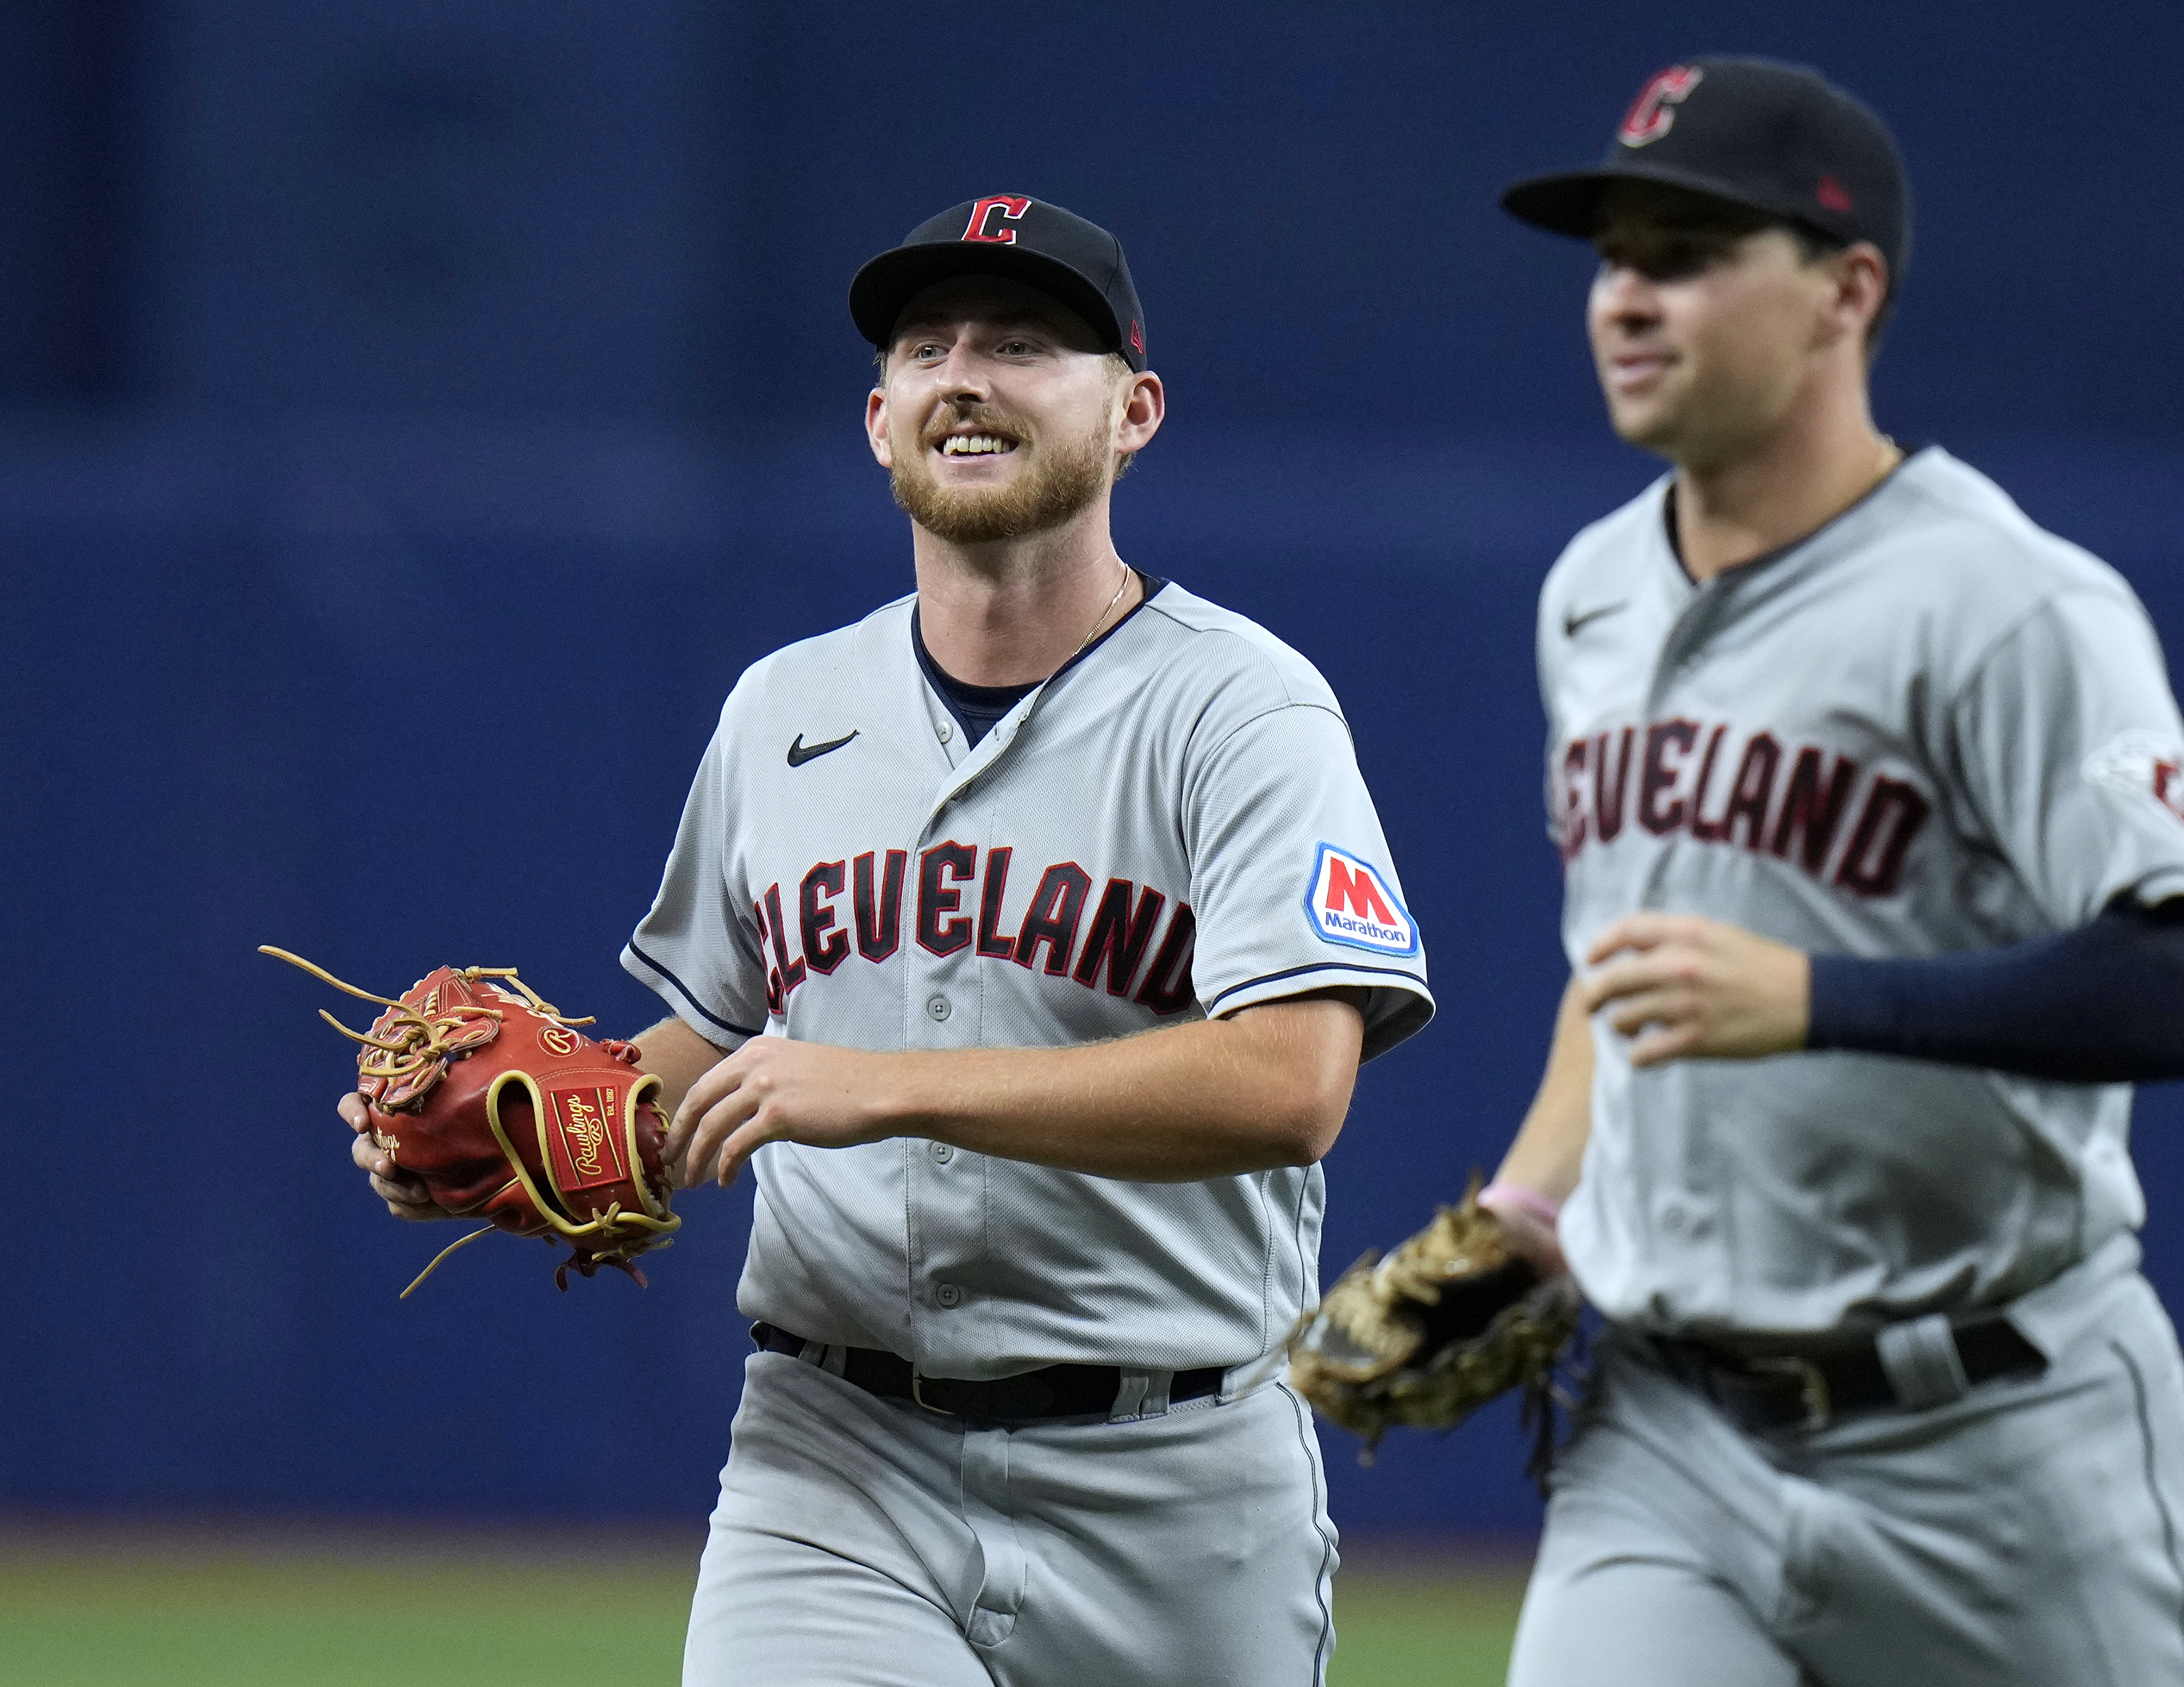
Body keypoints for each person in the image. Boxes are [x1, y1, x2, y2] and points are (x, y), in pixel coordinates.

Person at [345, 195, 1433, 1686]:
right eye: (928, 347)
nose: (964, 375)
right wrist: (549, 1126)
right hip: (834, 1459)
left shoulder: (1242, 710)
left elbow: (1293, 1082)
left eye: (1024, 344)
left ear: (1135, 410)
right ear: (878, 418)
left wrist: (892, 1081)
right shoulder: (780, 710)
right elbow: (726, 1048)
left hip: (1176, 1477)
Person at [1474, 58, 2184, 1686]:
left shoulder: (2008, 602)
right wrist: (1528, 1208)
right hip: (1670, 1429)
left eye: (1689, 251)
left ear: (1848, 290)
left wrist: (1818, 998)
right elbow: (1630, 968)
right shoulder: (1589, 594)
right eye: (1614, 254)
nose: (1627, 297)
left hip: (2001, 1438)